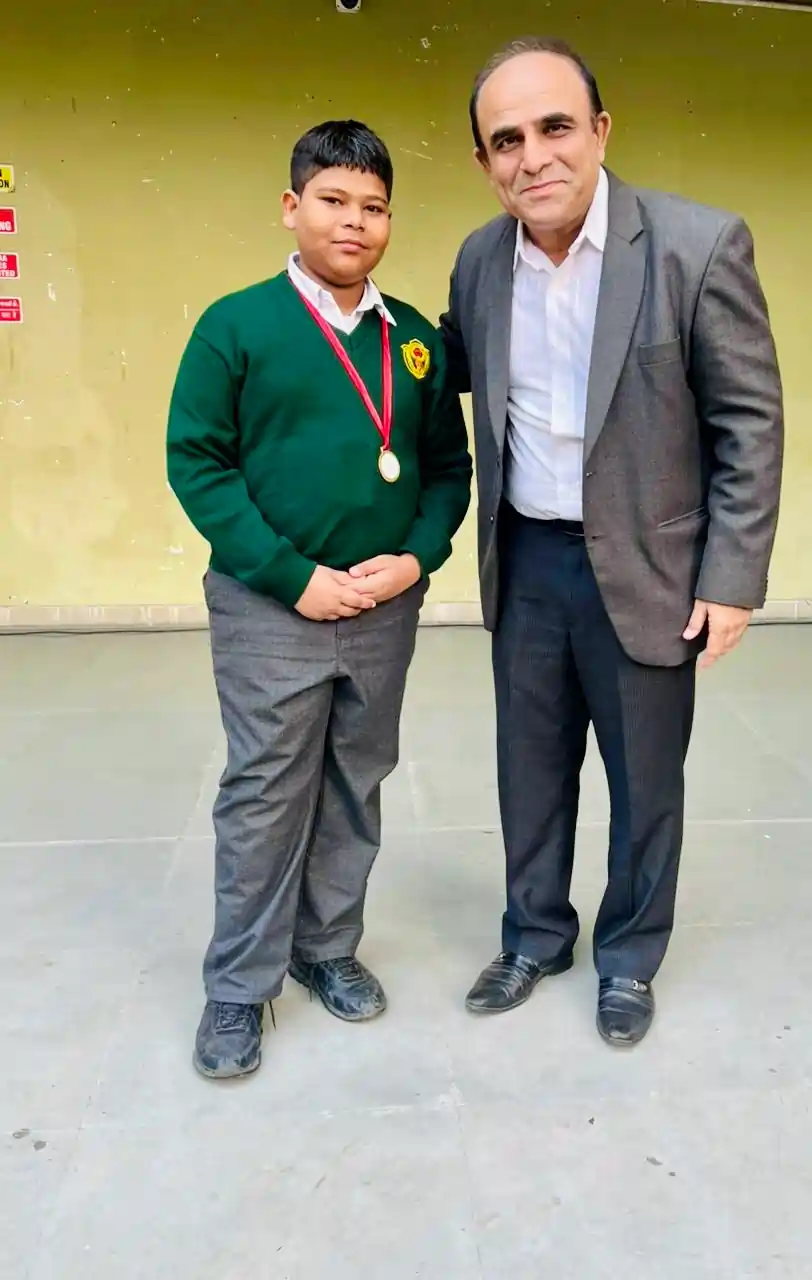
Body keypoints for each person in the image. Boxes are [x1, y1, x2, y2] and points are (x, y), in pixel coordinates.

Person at [440, 38, 784, 1047]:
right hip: (526, 560)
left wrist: (733, 578)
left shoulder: (695, 246)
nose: (533, 156)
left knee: (645, 783)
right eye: (507, 140)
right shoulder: (479, 260)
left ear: (599, 130)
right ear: (484, 162)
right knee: (528, 769)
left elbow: (748, 422)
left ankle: (629, 954)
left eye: (554, 127)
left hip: (649, 567)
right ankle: (535, 935)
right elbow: (439, 373)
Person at [167, 120, 472, 1079]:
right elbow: (199, 464)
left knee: (356, 778)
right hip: (270, 604)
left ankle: (326, 947)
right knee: (266, 790)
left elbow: (447, 470)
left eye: (374, 207)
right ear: (291, 207)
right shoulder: (236, 326)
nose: (354, 222)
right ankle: (238, 986)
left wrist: (416, 560)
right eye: (333, 201)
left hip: (382, 608)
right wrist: (291, 576)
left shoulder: (413, 340)